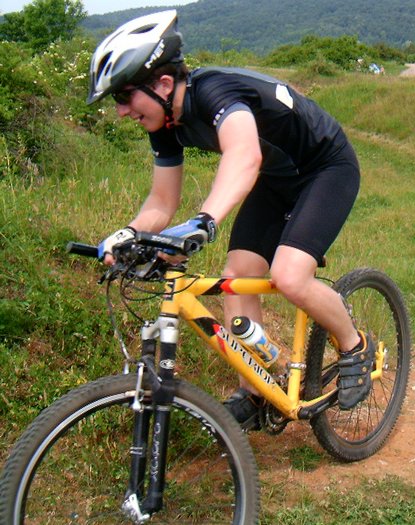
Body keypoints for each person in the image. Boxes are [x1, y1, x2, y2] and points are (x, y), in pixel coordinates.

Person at [87, 10, 375, 430]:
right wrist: (130, 234)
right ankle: (255, 392)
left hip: (326, 168)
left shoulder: (215, 91)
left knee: (290, 276)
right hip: (277, 178)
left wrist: (205, 220)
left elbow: (245, 155)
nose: (120, 111)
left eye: (124, 96)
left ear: (163, 84)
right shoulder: (165, 120)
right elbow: (162, 201)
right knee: (236, 277)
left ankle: (355, 346)